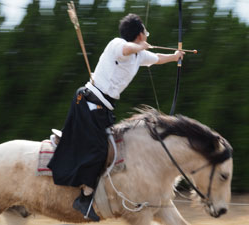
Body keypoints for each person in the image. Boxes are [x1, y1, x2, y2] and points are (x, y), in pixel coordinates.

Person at [48, 13, 185, 221]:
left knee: (109, 148)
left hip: (102, 108)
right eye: (144, 33)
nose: (145, 36)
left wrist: (175, 56)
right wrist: (140, 47)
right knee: (99, 149)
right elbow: (126, 49)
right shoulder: (117, 45)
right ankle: (84, 197)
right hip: (88, 103)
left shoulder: (140, 56)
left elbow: (157, 59)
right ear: (139, 34)